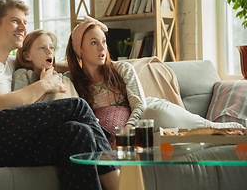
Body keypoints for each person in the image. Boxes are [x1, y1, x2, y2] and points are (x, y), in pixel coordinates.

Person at [0, 0, 119, 190]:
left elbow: (51, 63)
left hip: (0, 144)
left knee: (78, 132)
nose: (22, 28)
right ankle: (121, 185)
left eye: (25, 23)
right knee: (76, 106)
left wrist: (95, 64)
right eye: (15, 21)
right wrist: (44, 85)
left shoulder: (11, 63)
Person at [65, 16, 245, 146]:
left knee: (153, 115)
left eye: (104, 41)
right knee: (159, 141)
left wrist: (128, 127)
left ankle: (228, 128)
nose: (102, 48)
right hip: (135, 137)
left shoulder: (122, 69)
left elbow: (139, 106)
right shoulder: (71, 81)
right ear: (79, 49)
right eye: (94, 43)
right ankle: (216, 139)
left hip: (146, 116)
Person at [12, 29, 79, 101]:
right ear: (27, 56)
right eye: (42, 48)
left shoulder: (62, 78)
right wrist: (45, 83)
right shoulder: (23, 74)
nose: (49, 51)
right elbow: (20, 105)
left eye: (51, 47)